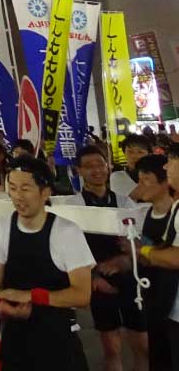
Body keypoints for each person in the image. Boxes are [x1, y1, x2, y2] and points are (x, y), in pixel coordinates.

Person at [0, 155, 94, 370]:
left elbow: (82, 295)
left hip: (58, 341)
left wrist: (32, 297)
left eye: (25, 189)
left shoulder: (67, 232)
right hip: (16, 341)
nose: (18, 196)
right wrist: (2, 304)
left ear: (45, 192)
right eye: (13, 188)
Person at [62, 146, 147, 371]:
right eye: (88, 166)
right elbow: (70, 249)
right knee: (111, 348)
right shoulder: (73, 206)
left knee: (142, 345)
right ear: (79, 170)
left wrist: (126, 260)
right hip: (98, 281)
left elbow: (137, 241)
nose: (96, 170)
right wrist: (93, 277)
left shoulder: (124, 202)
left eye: (100, 164)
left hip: (130, 277)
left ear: (108, 166)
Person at [135, 154, 175, 369]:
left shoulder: (176, 215)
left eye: (146, 180)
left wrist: (142, 251)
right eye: (139, 180)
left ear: (166, 181)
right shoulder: (142, 215)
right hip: (153, 301)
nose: (140, 186)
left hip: (173, 304)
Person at [111, 134, 151, 201]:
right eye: (130, 152)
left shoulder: (157, 176)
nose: (134, 156)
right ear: (124, 153)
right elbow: (121, 201)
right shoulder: (117, 176)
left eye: (140, 152)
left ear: (149, 154)